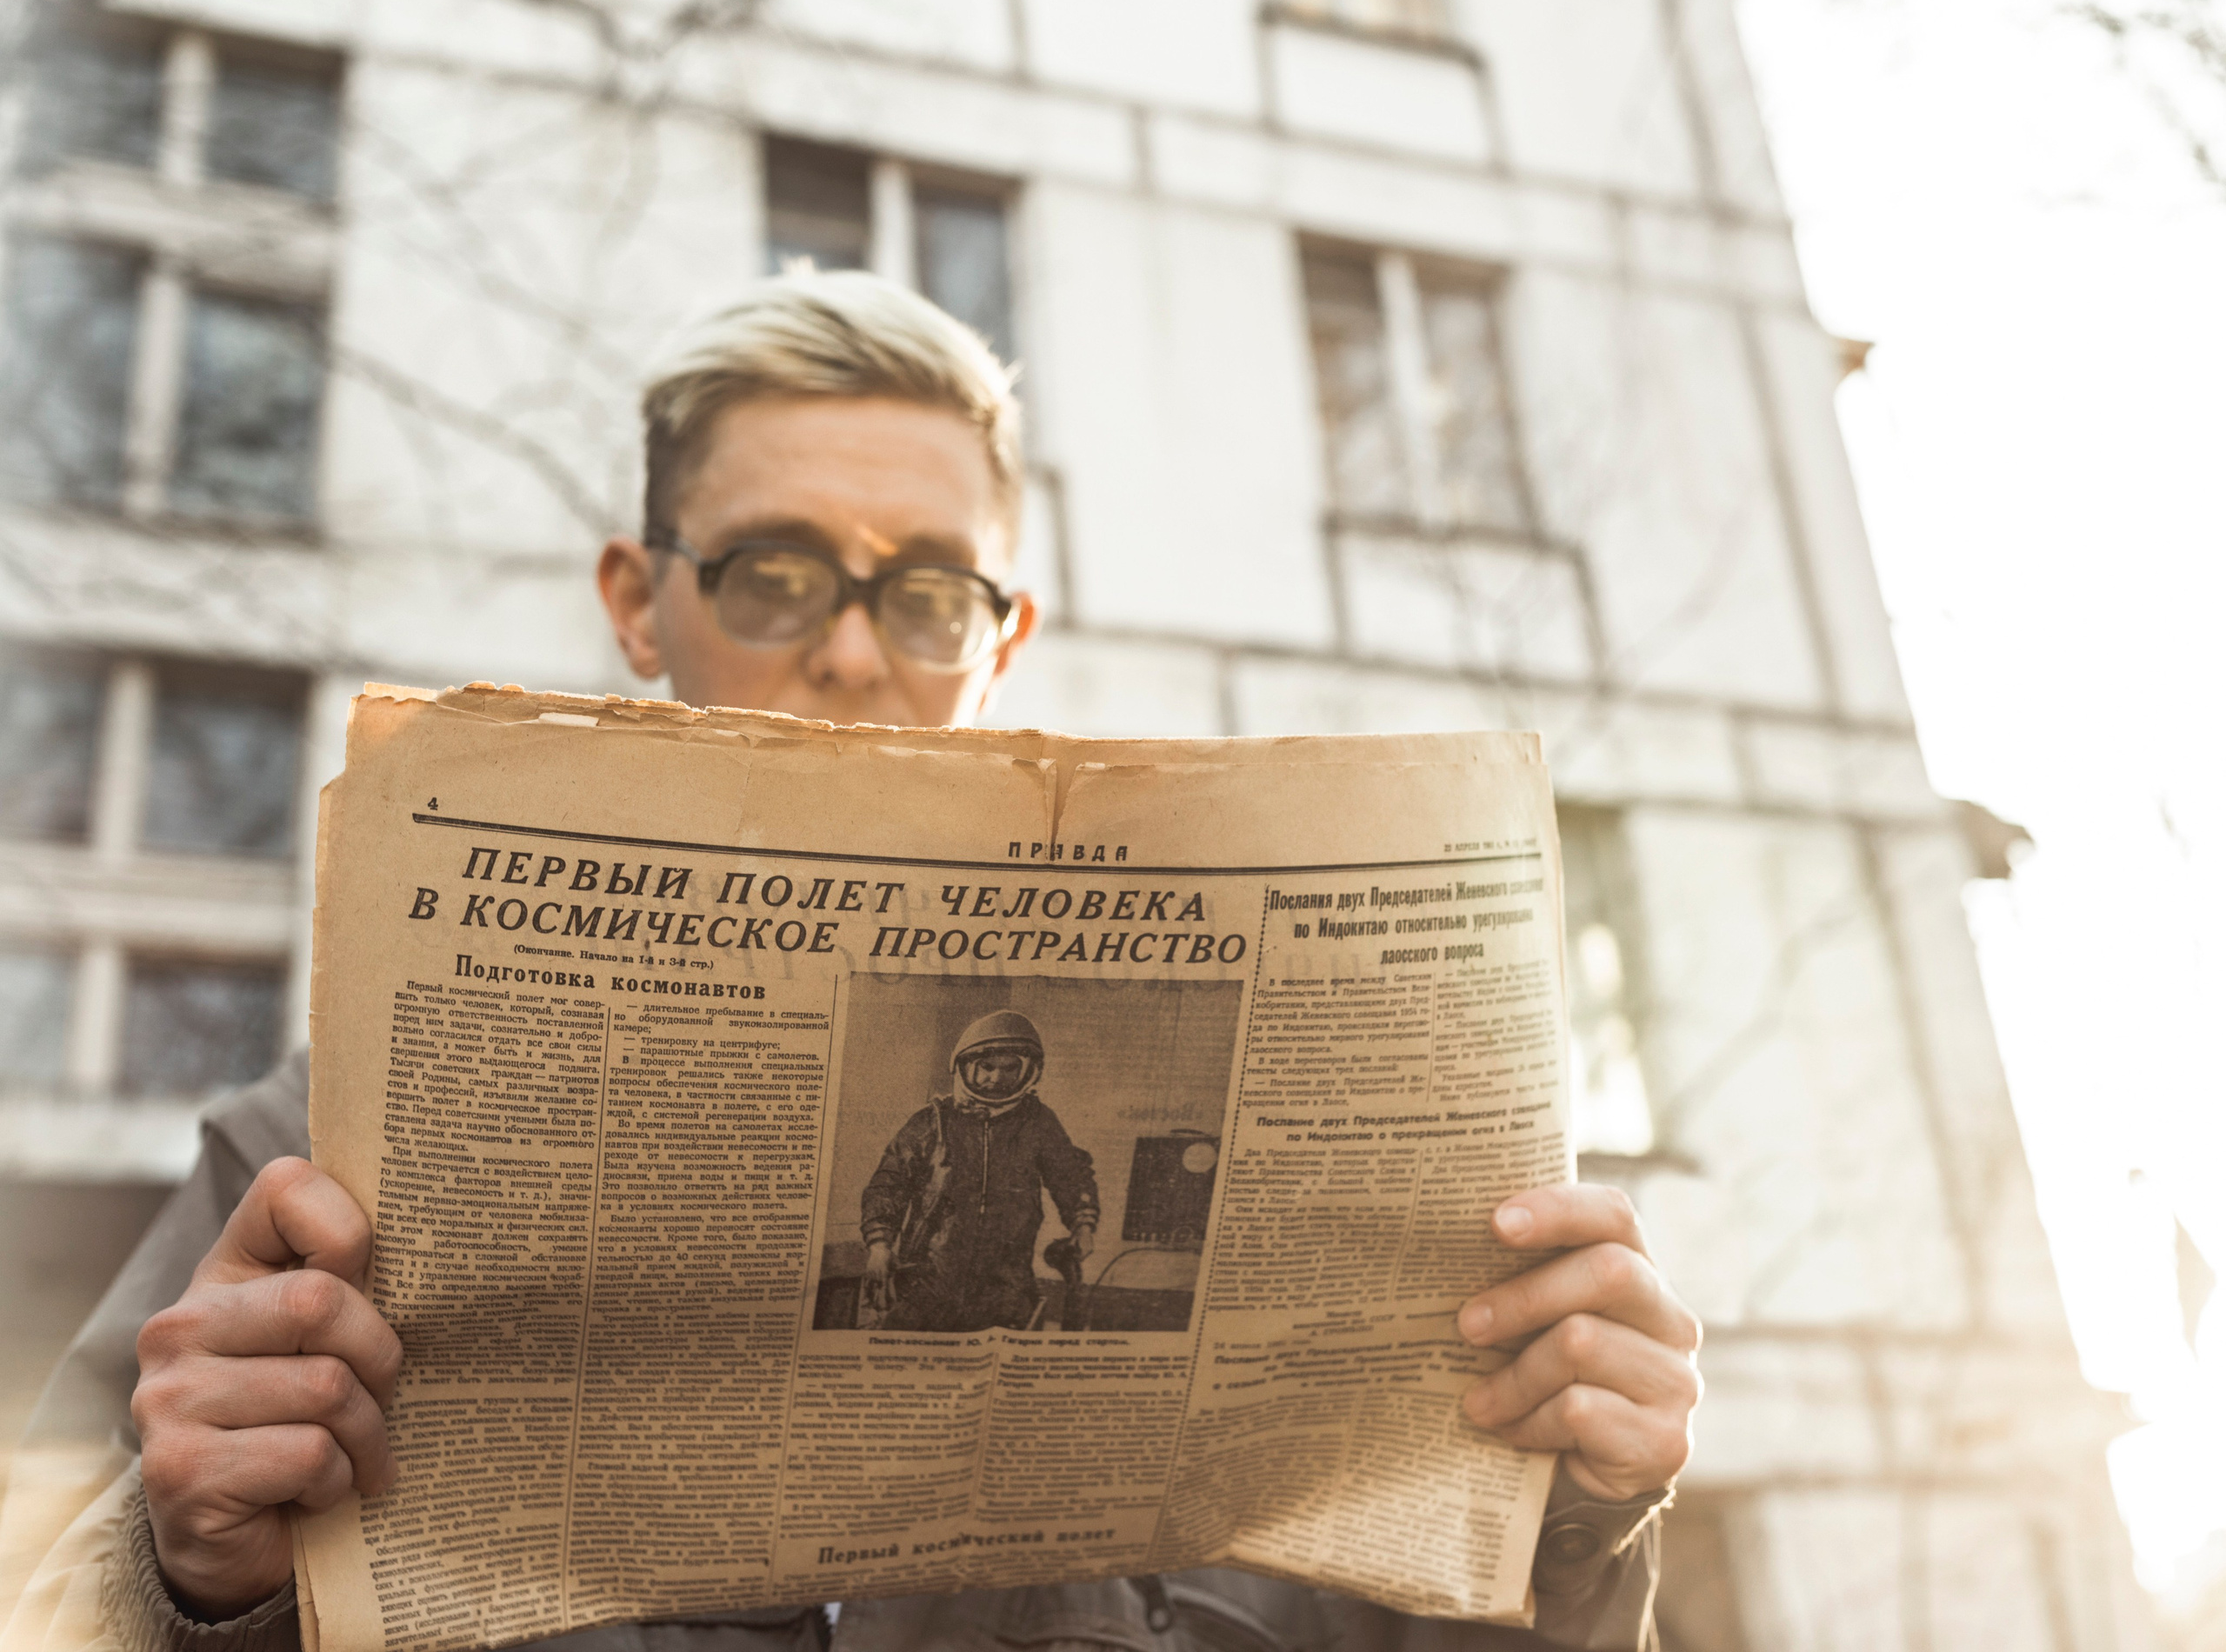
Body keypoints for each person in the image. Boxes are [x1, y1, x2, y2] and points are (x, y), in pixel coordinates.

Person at [0, 272, 1703, 1652]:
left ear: (1000, 640)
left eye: (926, 594)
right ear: (635, 600)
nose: (843, 652)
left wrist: (1566, 1522)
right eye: (773, 572)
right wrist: (191, 1573)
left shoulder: (1298, 1146)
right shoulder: (307, 1163)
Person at [859, 1010, 1098, 1332]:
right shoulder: (933, 1121)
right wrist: (879, 1244)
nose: (997, 1078)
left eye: (1010, 1068)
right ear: (966, 1066)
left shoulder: (1038, 1122)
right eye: (987, 1067)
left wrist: (1083, 1223)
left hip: (1006, 1283)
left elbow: (1070, 1173)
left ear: (1028, 1070)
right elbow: (889, 1184)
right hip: (929, 1278)